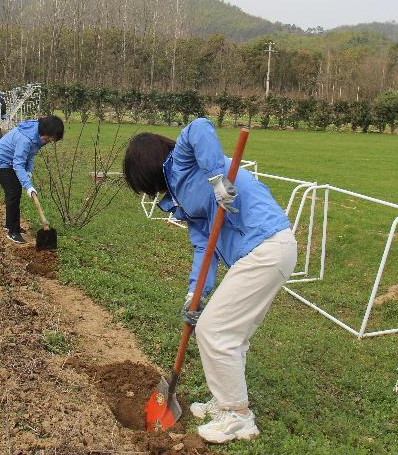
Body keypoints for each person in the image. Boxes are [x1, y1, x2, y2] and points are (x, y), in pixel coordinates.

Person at [121, 118, 297, 444]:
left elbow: (200, 127)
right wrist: (195, 292)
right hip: (256, 252)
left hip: (267, 245)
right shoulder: (179, 197)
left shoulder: (185, 162)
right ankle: (225, 401)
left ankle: (238, 418)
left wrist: (218, 179)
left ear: (151, 167)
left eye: (147, 184)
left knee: (215, 330)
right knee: (231, 334)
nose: (151, 192)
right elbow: (205, 244)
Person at [0, 116, 64, 244]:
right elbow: (18, 164)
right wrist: (28, 186)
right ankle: (12, 231)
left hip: (10, 161)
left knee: (14, 192)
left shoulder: (40, 135)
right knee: (13, 192)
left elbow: (30, 154)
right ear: (45, 132)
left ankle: (11, 225)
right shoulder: (26, 139)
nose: (50, 141)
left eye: (52, 139)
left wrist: (29, 170)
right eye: (50, 138)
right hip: (0, 160)